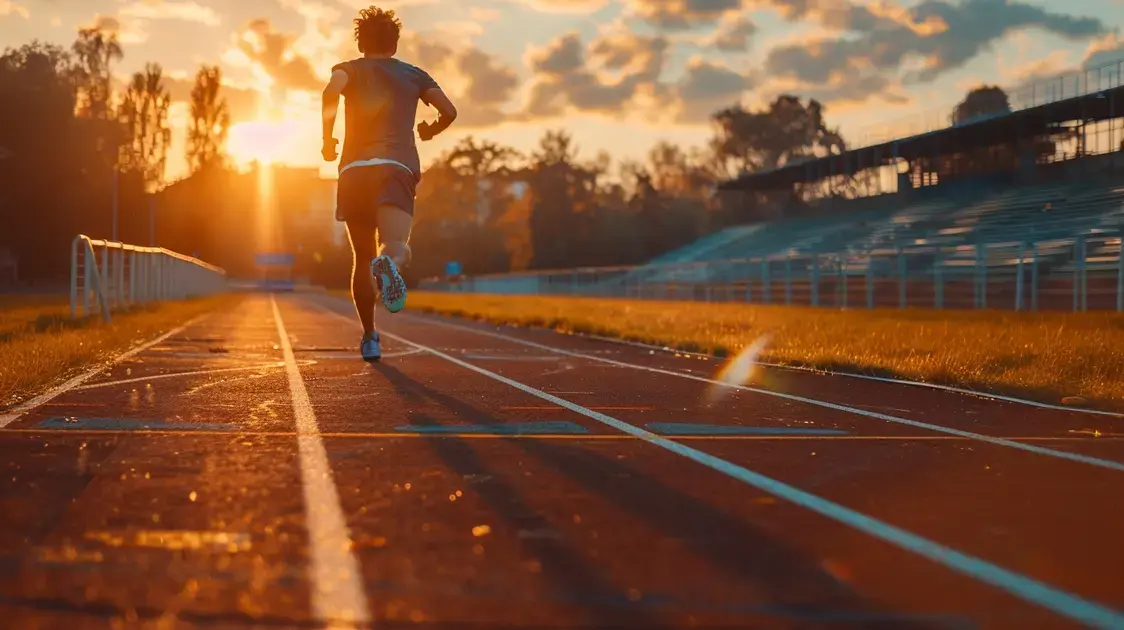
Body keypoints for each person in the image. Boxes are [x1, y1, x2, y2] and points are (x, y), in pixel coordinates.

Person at [321, 5, 457, 361]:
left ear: (361, 42)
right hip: (394, 168)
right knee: (394, 244)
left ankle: (369, 337)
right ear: (395, 43)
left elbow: (329, 94)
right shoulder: (415, 74)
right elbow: (449, 112)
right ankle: (391, 263)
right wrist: (430, 129)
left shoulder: (346, 69)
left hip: (354, 171)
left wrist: (326, 140)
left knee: (361, 256)